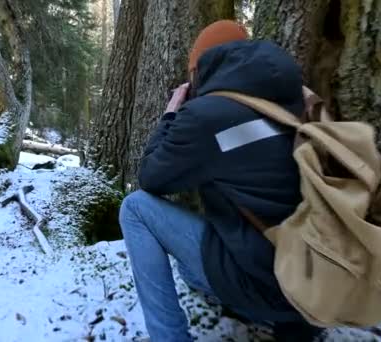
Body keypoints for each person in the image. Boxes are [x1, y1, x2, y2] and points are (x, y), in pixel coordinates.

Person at [119, 20, 324, 341]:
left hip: (263, 290)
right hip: (317, 292)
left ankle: (169, 337)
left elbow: (150, 178)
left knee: (135, 208)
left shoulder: (206, 115)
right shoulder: (299, 104)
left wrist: (171, 113)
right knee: (193, 269)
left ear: (201, 69)